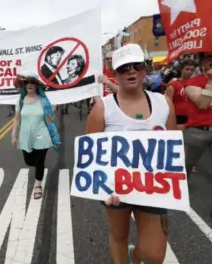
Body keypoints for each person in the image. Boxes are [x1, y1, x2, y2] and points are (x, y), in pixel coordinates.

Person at [86, 44, 176, 264]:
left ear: (145, 69)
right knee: (119, 235)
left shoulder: (164, 104)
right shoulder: (102, 108)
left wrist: (169, 199)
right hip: (115, 187)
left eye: (136, 65)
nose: (131, 71)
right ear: (115, 74)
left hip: (153, 188)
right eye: (124, 68)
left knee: (154, 255)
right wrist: (103, 188)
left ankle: (135, 256)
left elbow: (172, 152)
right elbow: (89, 154)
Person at [184, 52, 212, 226]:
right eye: (208, 59)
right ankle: (177, 193)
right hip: (197, 132)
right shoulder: (193, 82)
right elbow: (202, 104)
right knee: (184, 166)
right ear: (202, 64)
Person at [11, 73, 61, 199]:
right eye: (27, 83)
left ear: (37, 85)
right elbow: (16, 119)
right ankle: (39, 167)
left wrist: (52, 110)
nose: (30, 85)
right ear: (24, 86)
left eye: (32, 83)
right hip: (25, 136)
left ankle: (38, 185)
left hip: (42, 135)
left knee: (39, 161)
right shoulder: (21, 101)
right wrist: (13, 135)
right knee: (28, 161)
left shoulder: (44, 101)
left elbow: (50, 118)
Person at [165, 59, 196, 130]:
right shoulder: (173, 85)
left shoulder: (196, 83)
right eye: (187, 69)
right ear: (181, 69)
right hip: (178, 117)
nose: (189, 72)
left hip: (192, 116)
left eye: (192, 70)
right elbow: (167, 104)